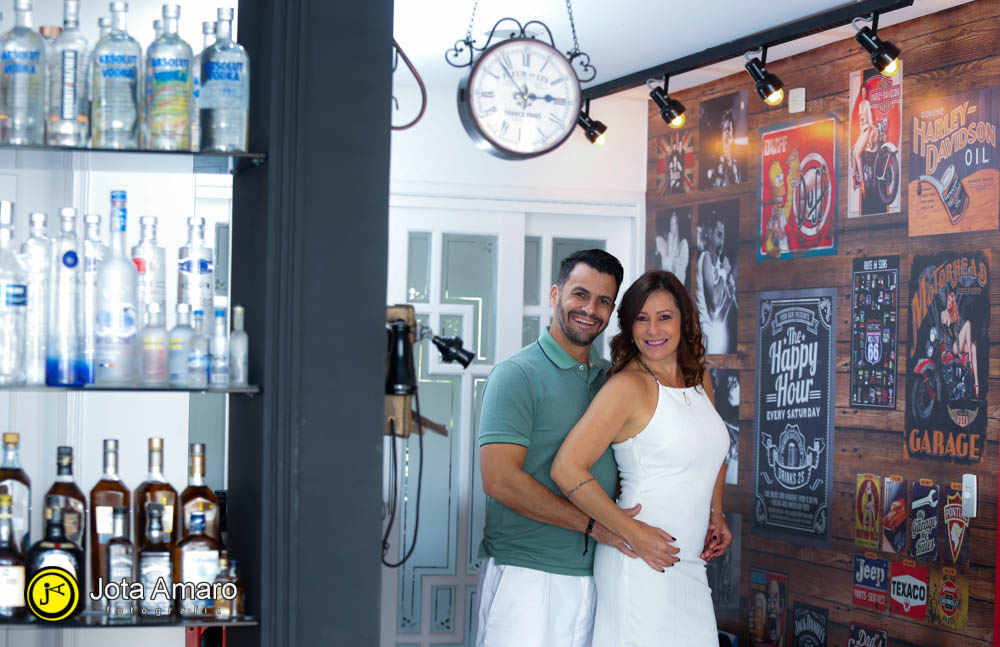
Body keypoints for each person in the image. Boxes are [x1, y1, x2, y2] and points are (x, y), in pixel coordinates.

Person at [552, 270, 732, 646]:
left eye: (664, 317)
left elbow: (713, 452)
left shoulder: (699, 378)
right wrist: (632, 533)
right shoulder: (627, 387)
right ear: (629, 326)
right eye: (641, 318)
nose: (653, 330)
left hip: (689, 564)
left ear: (684, 319)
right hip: (639, 562)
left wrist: (716, 514)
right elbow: (566, 468)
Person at [476, 249, 641, 647]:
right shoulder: (516, 375)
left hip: (599, 574)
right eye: (580, 294)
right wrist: (593, 525)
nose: (590, 309)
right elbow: (499, 480)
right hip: (529, 575)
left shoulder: (613, 380)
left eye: (603, 301)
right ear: (555, 295)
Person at [696, 217, 736, 354]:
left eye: (723, 238)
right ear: (709, 233)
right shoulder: (705, 257)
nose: (721, 243)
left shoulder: (717, 269)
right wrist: (724, 272)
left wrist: (729, 299)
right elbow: (713, 302)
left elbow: (716, 316)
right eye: (719, 235)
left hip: (711, 339)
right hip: (703, 338)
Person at [941, 290, 979, 398]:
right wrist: (945, 350)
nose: (950, 303)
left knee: (973, 347)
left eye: (952, 301)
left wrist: (959, 351)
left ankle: (976, 383)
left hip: (957, 345)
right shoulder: (943, 314)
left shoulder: (954, 315)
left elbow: (957, 335)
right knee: (968, 324)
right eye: (948, 300)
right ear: (946, 301)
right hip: (952, 347)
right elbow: (944, 335)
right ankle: (970, 360)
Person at [852, 84, 876, 196]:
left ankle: (862, 182)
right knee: (853, 153)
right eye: (862, 91)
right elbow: (859, 121)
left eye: (865, 91)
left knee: (857, 155)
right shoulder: (860, 104)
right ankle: (854, 178)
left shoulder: (867, 103)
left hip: (867, 130)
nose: (864, 93)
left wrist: (873, 126)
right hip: (862, 132)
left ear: (867, 93)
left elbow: (869, 119)